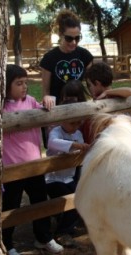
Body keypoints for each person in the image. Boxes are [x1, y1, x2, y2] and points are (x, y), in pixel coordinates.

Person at [2, 65, 63, 255]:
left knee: (40, 202)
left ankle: (43, 237)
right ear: (5, 85)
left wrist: (49, 100)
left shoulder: (29, 101)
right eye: (19, 83)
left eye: (26, 83)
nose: (24, 87)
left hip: (35, 165)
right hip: (13, 169)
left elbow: (46, 112)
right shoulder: (0, 107)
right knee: (10, 207)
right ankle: (7, 244)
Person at [45, 99, 90, 245]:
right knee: (71, 200)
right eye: (72, 123)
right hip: (53, 179)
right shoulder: (55, 132)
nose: (76, 127)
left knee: (80, 199)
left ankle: (66, 227)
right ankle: (61, 232)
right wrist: (75, 145)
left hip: (69, 177)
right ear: (62, 119)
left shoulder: (78, 133)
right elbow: (52, 143)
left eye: (78, 123)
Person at [40, 9, 94, 109]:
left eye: (77, 38)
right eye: (69, 38)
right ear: (60, 34)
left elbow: (91, 85)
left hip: (79, 106)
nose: (73, 42)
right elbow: (46, 91)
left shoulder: (85, 56)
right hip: (57, 108)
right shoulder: (49, 58)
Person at [82, 62, 131, 144]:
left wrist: (106, 93)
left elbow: (129, 91)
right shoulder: (116, 96)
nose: (89, 88)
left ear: (97, 83)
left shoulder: (114, 96)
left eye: (89, 85)